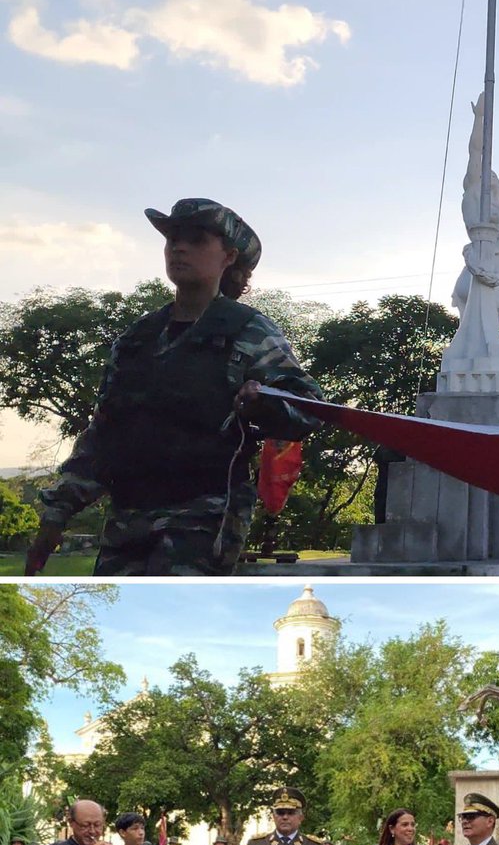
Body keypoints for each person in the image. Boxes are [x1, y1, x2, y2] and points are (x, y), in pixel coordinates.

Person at [27, 198, 323, 576]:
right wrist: (57, 514)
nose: (179, 248)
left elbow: (309, 408)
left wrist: (263, 403)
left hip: (204, 519)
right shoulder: (137, 339)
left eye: (196, 239)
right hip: (128, 517)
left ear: (229, 257)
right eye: (172, 240)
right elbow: (103, 433)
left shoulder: (249, 332)